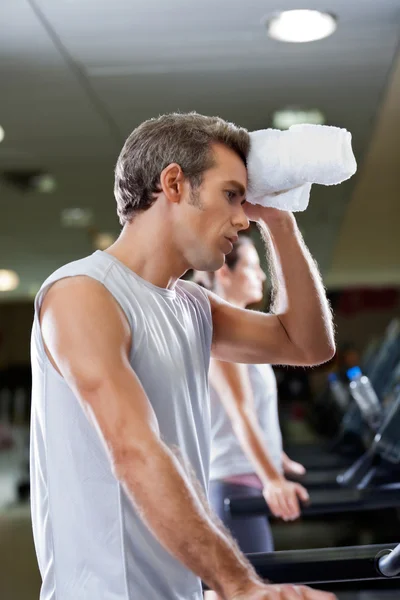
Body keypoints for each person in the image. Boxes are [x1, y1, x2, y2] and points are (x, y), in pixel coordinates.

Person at [31, 112, 336, 600]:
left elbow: (308, 344)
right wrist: (239, 584)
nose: (243, 217)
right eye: (232, 195)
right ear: (174, 183)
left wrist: (279, 219)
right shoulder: (83, 293)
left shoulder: (191, 305)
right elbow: (134, 449)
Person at [193, 236, 309, 564]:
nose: (261, 276)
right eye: (252, 267)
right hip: (233, 485)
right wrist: (273, 480)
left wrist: (277, 457)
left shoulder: (238, 331)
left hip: (240, 480)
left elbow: (252, 412)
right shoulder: (221, 331)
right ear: (225, 274)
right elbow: (239, 413)